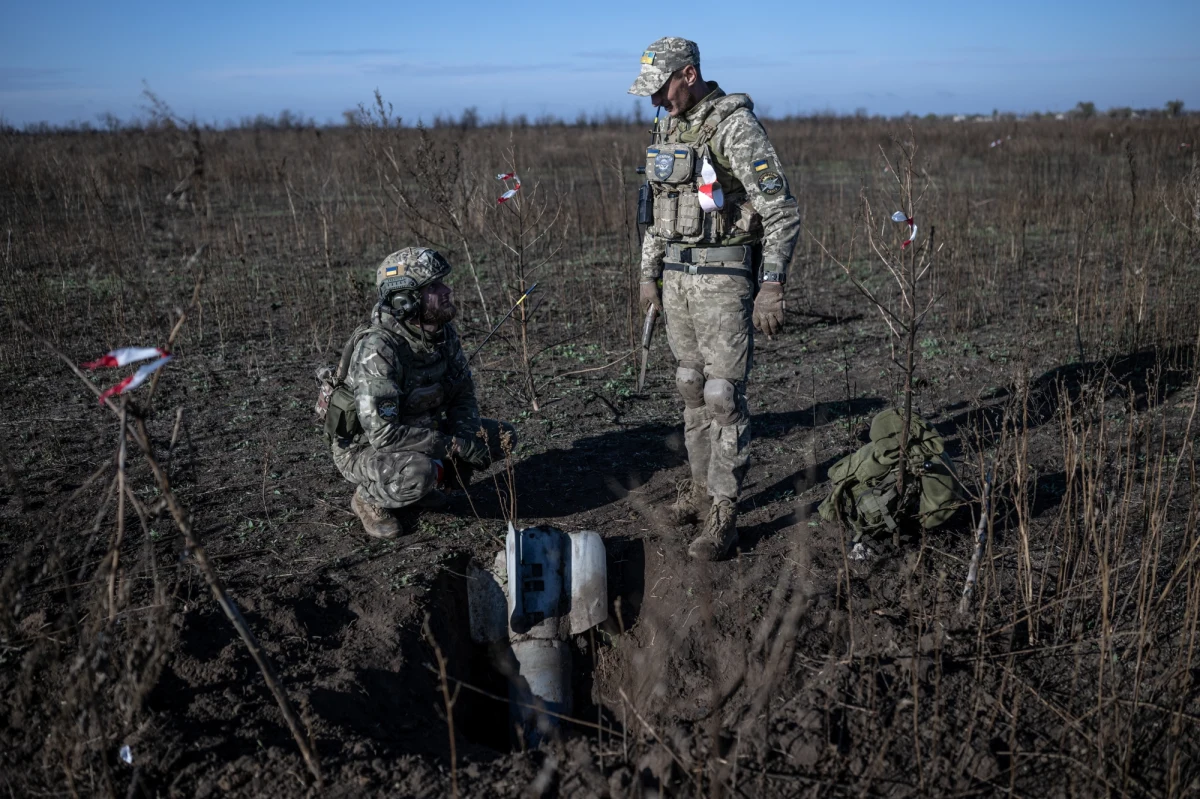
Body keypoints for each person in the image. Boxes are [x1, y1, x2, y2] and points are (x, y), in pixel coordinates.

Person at [628, 37, 800, 560]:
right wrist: (646, 275)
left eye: (663, 89)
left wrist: (771, 284)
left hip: (724, 278)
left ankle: (724, 509)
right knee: (690, 387)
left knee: (723, 396)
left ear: (690, 73)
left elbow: (781, 210)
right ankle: (699, 490)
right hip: (677, 278)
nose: (657, 101)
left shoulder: (735, 126)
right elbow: (659, 210)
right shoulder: (667, 126)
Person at [331, 247, 514, 539]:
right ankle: (369, 498)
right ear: (405, 299)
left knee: (499, 437)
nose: (447, 290)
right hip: (366, 448)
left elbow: (462, 394)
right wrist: (454, 448)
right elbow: (385, 436)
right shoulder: (379, 349)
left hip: (422, 429)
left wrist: (464, 444)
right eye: (433, 286)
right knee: (419, 472)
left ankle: (420, 488)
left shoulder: (442, 332)